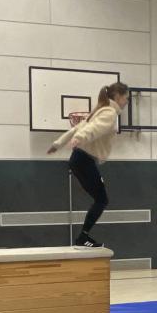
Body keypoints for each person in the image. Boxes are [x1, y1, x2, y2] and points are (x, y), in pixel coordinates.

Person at [48, 82, 130, 248]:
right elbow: (93, 129)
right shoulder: (109, 113)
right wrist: (80, 138)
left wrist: (58, 143)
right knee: (102, 199)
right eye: (126, 98)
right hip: (83, 160)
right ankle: (82, 237)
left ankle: (83, 236)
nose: (127, 102)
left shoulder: (100, 110)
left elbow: (77, 128)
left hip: (80, 159)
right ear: (117, 96)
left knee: (100, 199)